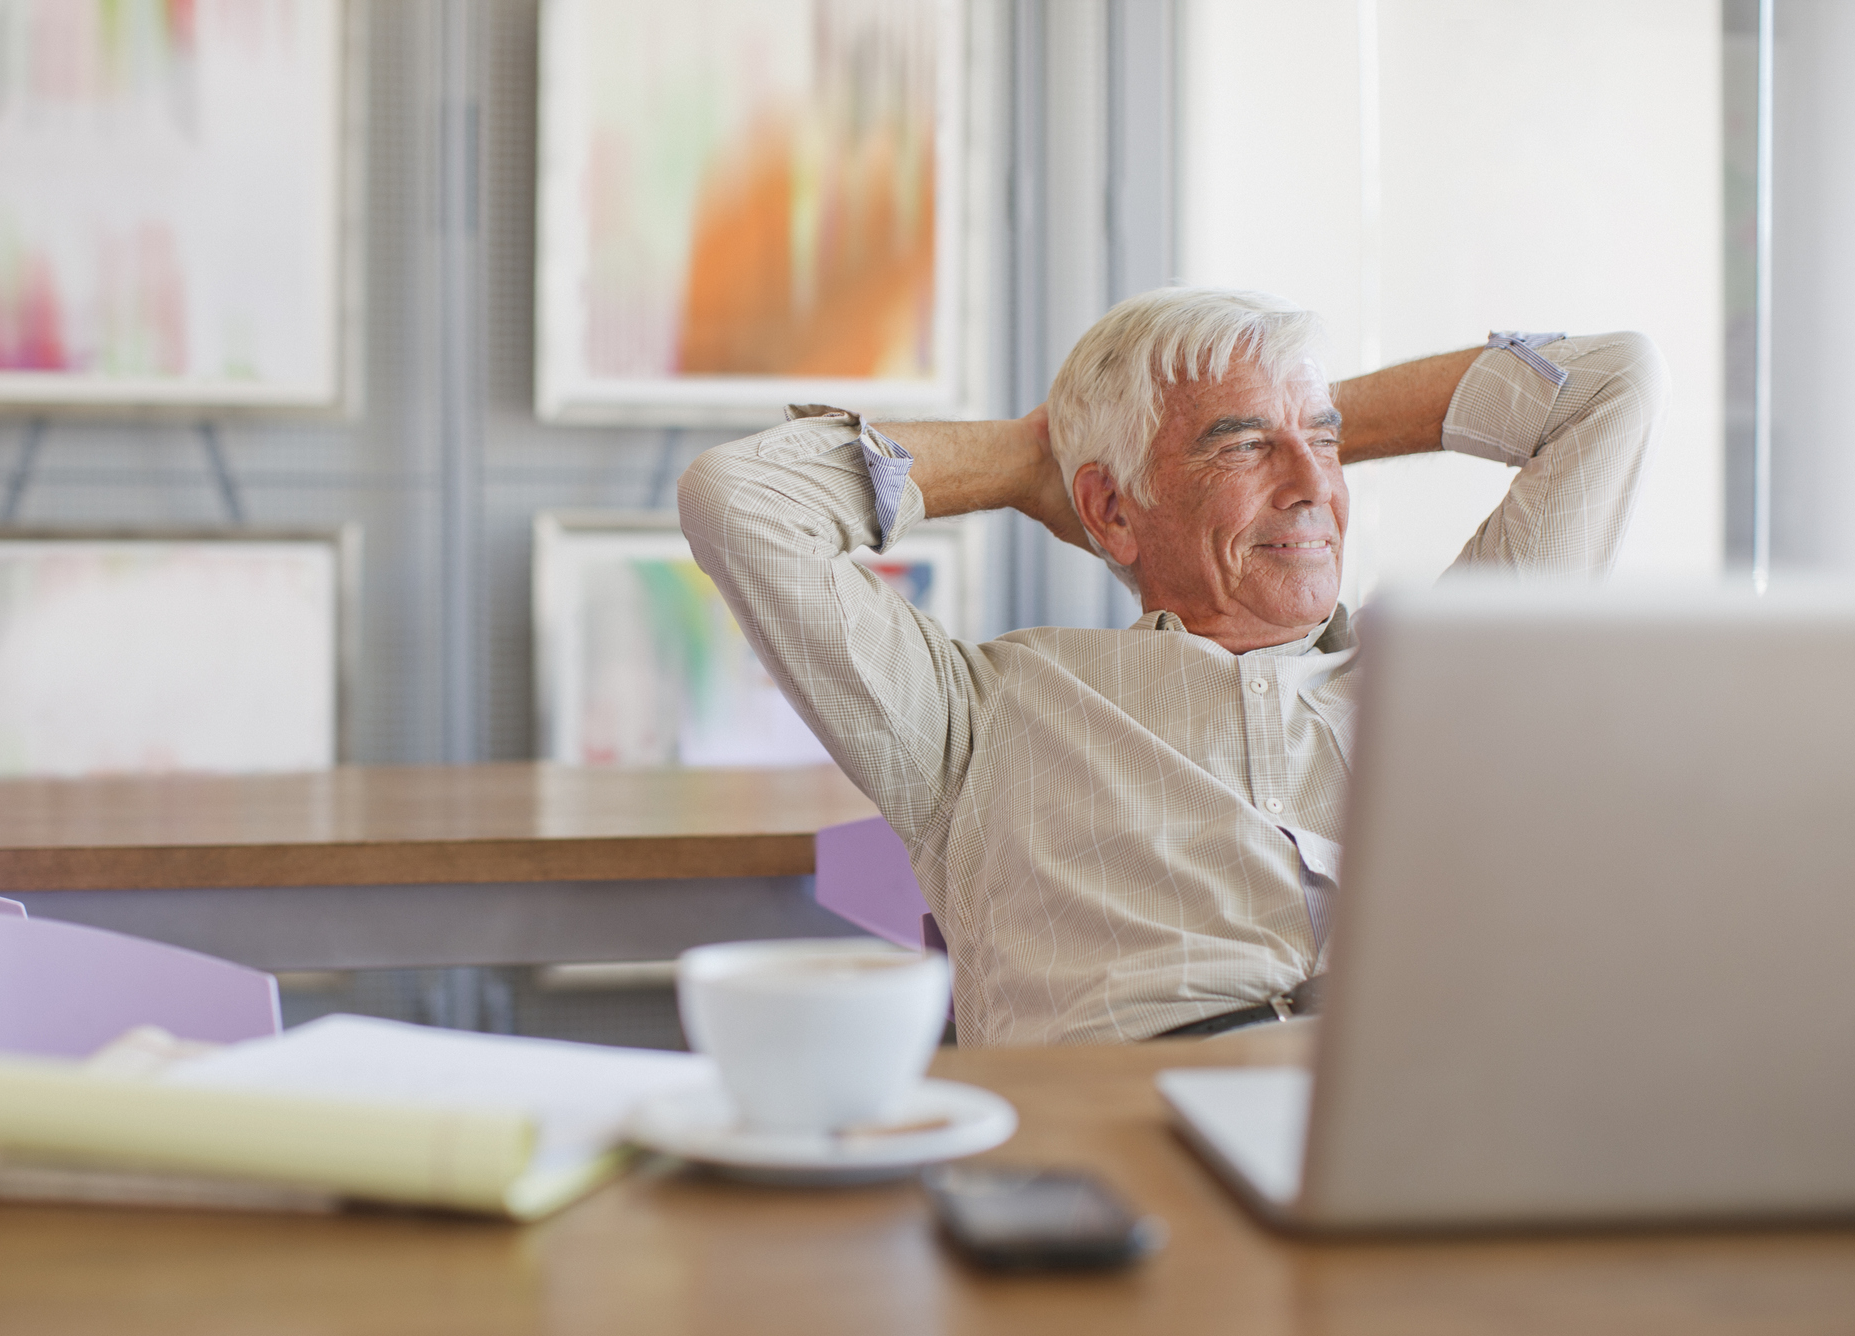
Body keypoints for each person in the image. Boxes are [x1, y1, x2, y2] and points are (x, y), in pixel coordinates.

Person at [678, 286, 1667, 1045]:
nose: (1318, 485)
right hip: (1126, 1156)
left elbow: (1611, 384)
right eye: (1242, 448)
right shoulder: (980, 715)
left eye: (1326, 444)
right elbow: (742, 499)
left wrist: (1292, 416)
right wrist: (1034, 457)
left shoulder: (1441, 677)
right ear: (1111, 510)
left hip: (1413, 1135)